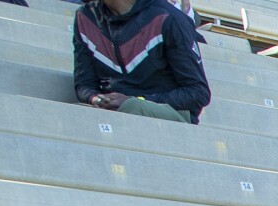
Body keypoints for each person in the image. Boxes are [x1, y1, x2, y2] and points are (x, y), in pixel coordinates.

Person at [73, 0, 210, 123]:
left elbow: (197, 93)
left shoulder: (169, 18)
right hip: (113, 107)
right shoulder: (85, 17)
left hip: (171, 111)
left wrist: (138, 100)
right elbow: (84, 84)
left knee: (131, 107)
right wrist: (97, 99)